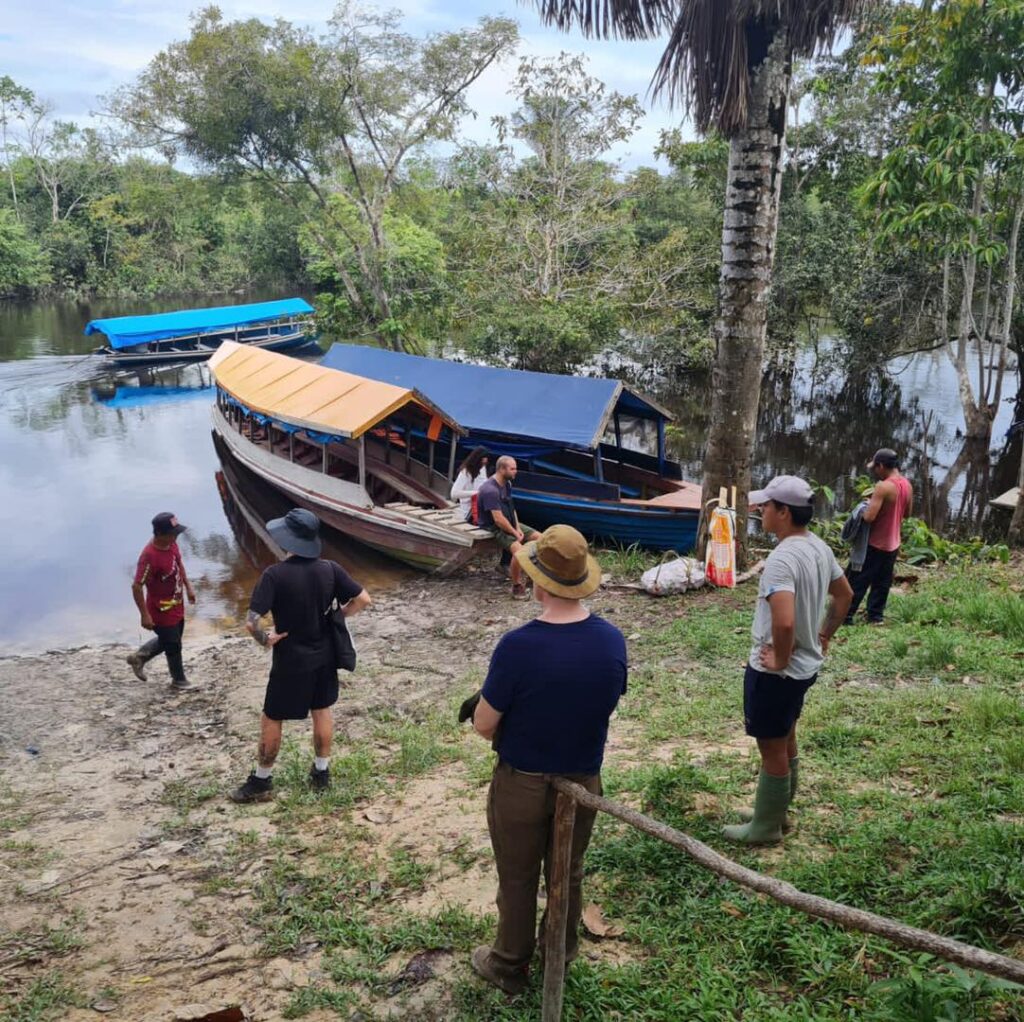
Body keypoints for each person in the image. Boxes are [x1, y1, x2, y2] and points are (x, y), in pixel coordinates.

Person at [470, 524, 626, 995]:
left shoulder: (518, 646)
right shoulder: (611, 640)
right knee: (568, 869)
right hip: (583, 777)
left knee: (517, 875)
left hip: (523, 781)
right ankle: (561, 949)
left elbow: (483, 723)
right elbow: (607, 699)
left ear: (540, 583)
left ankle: (509, 962)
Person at [723, 476, 852, 846]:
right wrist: (824, 635)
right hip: (805, 670)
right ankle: (776, 813)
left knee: (771, 745)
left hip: (776, 674)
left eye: (766, 505)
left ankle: (765, 829)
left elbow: (784, 620)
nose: (760, 510)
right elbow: (844, 596)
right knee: (786, 734)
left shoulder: (781, 559)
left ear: (784, 512)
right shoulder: (818, 547)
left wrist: (779, 657)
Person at [230, 508, 371, 803]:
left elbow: (252, 621)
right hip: (324, 655)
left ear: (288, 539)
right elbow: (363, 599)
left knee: (272, 716)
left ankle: (262, 780)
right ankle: (321, 773)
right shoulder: (330, 569)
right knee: (321, 709)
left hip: (290, 660)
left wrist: (265, 639)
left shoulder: (274, 575)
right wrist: (340, 616)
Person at [127, 512, 196, 690]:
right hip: (160, 609)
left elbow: (179, 565)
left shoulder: (172, 545)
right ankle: (179, 680)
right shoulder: (149, 557)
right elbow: (137, 586)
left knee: (172, 639)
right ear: (161, 534)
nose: (176, 537)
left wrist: (189, 587)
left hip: (176, 602)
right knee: (172, 644)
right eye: (173, 534)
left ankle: (139, 657)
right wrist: (144, 615)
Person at [846, 448, 913, 625]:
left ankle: (845, 616)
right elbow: (907, 513)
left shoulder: (883, 487)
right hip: (893, 543)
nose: (875, 472)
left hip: (875, 543)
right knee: (882, 582)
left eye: (876, 468)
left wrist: (865, 506)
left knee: (857, 580)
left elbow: (869, 517)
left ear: (882, 466)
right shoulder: (907, 485)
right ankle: (875, 617)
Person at [476, 456, 539, 597]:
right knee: (519, 550)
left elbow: (512, 509)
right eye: (513, 469)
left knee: (541, 538)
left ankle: (532, 577)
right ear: (502, 469)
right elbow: (498, 520)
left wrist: (517, 527)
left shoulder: (507, 484)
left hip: (509, 521)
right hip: (493, 526)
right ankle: (517, 586)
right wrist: (515, 534)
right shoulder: (490, 490)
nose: (516, 471)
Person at [450, 446, 490, 522]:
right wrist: (477, 493)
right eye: (482, 462)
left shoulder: (483, 469)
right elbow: (454, 494)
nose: (484, 464)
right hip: (468, 512)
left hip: (481, 510)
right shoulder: (465, 472)